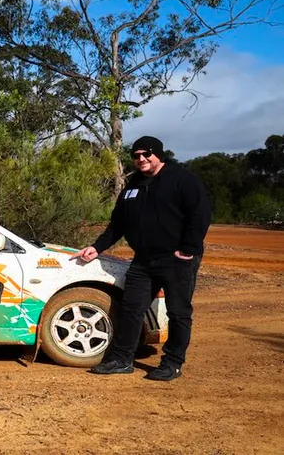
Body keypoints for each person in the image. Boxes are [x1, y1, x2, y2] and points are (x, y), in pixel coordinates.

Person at [74, 136, 211, 381]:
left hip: (177, 259)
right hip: (144, 260)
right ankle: (122, 359)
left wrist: (187, 249)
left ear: (158, 154)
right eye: (136, 155)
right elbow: (117, 224)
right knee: (131, 309)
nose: (141, 159)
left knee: (178, 312)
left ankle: (172, 363)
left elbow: (200, 215)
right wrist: (97, 247)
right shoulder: (133, 186)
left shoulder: (182, 179)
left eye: (146, 154)